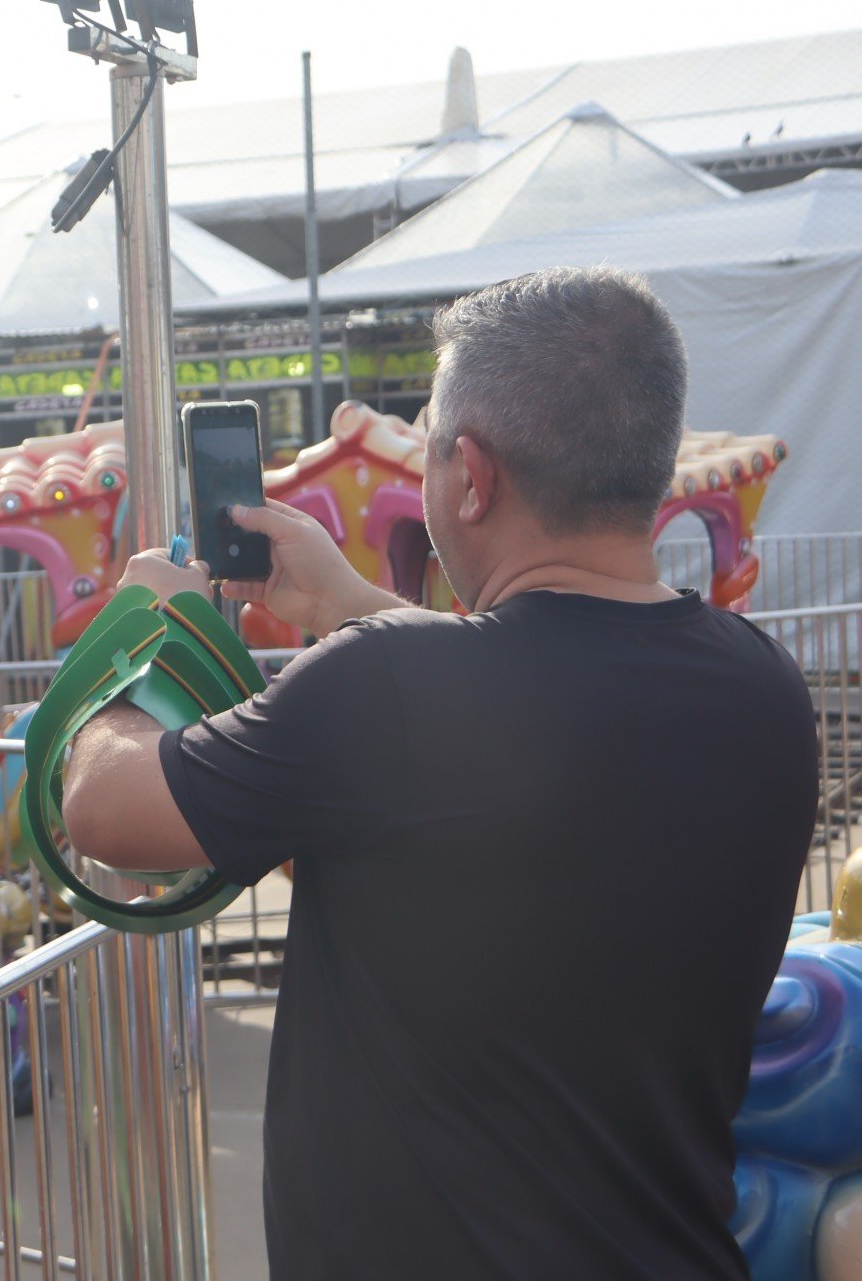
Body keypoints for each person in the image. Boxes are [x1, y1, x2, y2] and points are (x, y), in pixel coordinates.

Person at [61, 267, 818, 1279]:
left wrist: (140, 629)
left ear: (472, 475)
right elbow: (531, 703)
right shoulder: (764, 687)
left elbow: (106, 811)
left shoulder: (388, 695)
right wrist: (349, 601)